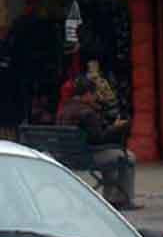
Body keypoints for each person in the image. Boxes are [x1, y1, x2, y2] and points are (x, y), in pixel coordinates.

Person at [57, 75, 136, 208]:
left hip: (66, 156)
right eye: (94, 94)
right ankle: (122, 199)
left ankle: (111, 200)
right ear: (87, 94)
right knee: (128, 157)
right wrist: (116, 128)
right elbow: (99, 139)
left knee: (111, 157)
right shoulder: (87, 112)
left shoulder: (64, 109)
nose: (95, 97)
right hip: (86, 156)